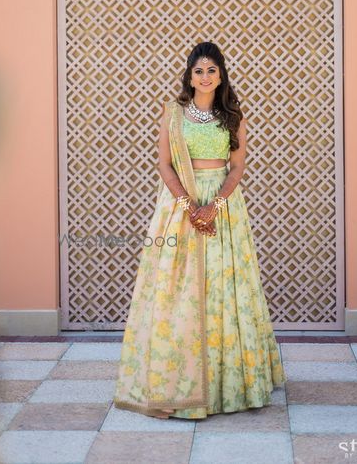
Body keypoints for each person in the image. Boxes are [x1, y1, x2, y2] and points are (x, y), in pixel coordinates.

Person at [114, 41, 285, 419]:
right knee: (178, 292)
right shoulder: (173, 113)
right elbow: (164, 164)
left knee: (225, 287)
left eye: (211, 70)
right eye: (198, 70)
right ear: (189, 76)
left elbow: (237, 167)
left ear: (221, 74)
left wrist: (216, 205)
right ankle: (175, 379)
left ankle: (227, 386)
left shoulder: (233, 116)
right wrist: (190, 206)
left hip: (223, 208)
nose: (205, 76)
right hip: (180, 206)